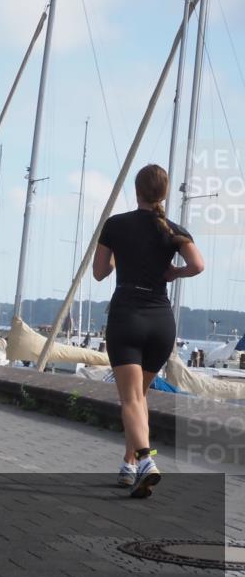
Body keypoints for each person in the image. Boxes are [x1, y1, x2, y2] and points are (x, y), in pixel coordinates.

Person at [93, 164, 204, 498]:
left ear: (136, 190)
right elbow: (198, 265)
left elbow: (100, 272)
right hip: (160, 321)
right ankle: (129, 465)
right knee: (139, 399)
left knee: (129, 399)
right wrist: (173, 273)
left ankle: (146, 460)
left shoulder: (115, 225)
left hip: (127, 317)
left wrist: (118, 257)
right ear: (164, 193)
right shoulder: (173, 229)